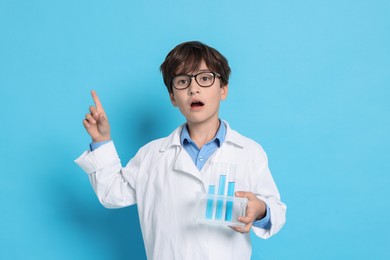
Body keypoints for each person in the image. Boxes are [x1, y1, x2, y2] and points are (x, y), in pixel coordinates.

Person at [75, 41, 286, 259]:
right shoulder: (151, 155)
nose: (193, 88)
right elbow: (112, 192)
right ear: (173, 97)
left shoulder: (249, 152)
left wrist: (260, 209)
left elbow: (276, 212)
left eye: (205, 78)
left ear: (223, 89)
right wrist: (101, 140)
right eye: (183, 81)